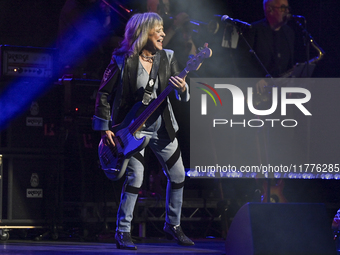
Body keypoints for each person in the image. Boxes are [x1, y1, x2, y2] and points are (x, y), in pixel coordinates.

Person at [92, 12, 194, 250]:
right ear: (142, 32)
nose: (163, 33)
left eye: (162, 29)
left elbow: (182, 93)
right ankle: (123, 230)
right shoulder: (122, 60)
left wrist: (184, 88)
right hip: (134, 130)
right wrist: (104, 127)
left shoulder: (168, 57)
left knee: (178, 175)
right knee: (134, 178)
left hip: (163, 128)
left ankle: (174, 225)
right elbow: (104, 94)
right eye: (157, 29)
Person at [57, 0, 113, 79]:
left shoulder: (82, 6)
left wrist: (106, 12)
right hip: (76, 62)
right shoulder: (73, 8)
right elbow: (96, 33)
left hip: (85, 59)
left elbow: (102, 30)